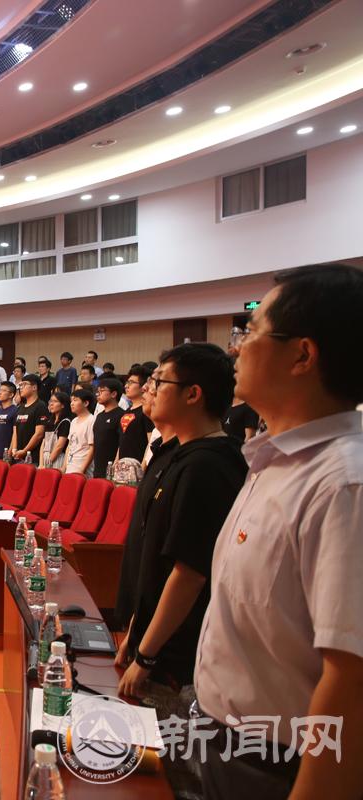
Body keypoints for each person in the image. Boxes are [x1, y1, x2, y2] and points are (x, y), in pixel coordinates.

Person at [194, 263, 363, 798]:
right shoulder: (274, 460)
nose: (236, 348)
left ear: (303, 355)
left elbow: (351, 680)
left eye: (250, 332)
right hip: (222, 740)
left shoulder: (344, 483)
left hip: (279, 767)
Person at [114, 343, 248, 800]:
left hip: (175, 660)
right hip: (153, 641)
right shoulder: (177, 453)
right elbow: (154, 562)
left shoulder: (208, 465)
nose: (149, 390)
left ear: (193, 394)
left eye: (159, 382)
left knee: (174, 776)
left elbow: (188, 573)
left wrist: (147, 655)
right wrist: (135, 629)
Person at [117, 365, 155, 463]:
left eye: (131, 382)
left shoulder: (146, 411)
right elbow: (122, 442)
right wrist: (116, 462)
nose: (126, 386)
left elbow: (151, 442)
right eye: (127, 382)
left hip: (137, 466)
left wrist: (143, 467)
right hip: (122, 467)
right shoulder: (127, 411)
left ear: (143, 386)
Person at [10, 375, 50, 465]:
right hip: (17, 455)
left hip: (31, 457)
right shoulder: (20, 407)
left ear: (34, 387)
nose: (21, 388)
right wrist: (14, 449)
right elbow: (15, 431)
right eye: (20, 385)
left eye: (24, 384)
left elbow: (39, 434)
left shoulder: (40, 406)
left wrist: (24, 451)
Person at [93, 376, 127, 479]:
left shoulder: (122, 415)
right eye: (98, 391)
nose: (98, 394)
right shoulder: (99, 416)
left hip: (112, 468)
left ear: (113, 394)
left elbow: (122, 443)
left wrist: (116, 464)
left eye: (102, 391)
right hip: (97, 467)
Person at [64, 388, 96, 476]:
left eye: (75, 400)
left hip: (82, 468)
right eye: (71, 401)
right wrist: (64, 466)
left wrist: (82, 470)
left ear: (86, 403)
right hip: (70, 465)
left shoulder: (91, 420)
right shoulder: (74, 421)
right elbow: (70, 445)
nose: (71, 403)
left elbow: (92, 448)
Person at [40, 389, 72, 469]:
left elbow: (59, 446)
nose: (51, 404)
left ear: (63, 405)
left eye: (55, 401)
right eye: (50, 401)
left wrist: (47, 464)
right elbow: (43, 443)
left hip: (57, 458)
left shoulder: (65, 422)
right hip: (45, 458)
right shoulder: (49, 421)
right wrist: (41, 463)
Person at [0, 381, 19, 461]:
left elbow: (15, 433)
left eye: (3, 390)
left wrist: (9, 452)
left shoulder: (15, 410)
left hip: (6, 454)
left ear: (11, 395)